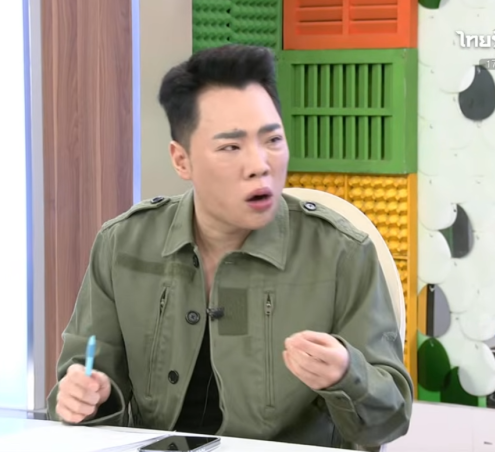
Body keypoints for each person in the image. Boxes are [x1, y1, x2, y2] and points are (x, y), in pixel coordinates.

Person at [47, 44, 413, 450]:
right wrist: (85, 398)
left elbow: (390, 419)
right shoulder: (123, 245)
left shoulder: (342, 252)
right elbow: (84, 378)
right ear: (182, 160)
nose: (259, 165)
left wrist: (347, 375)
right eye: (231, 147)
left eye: (273, 140)